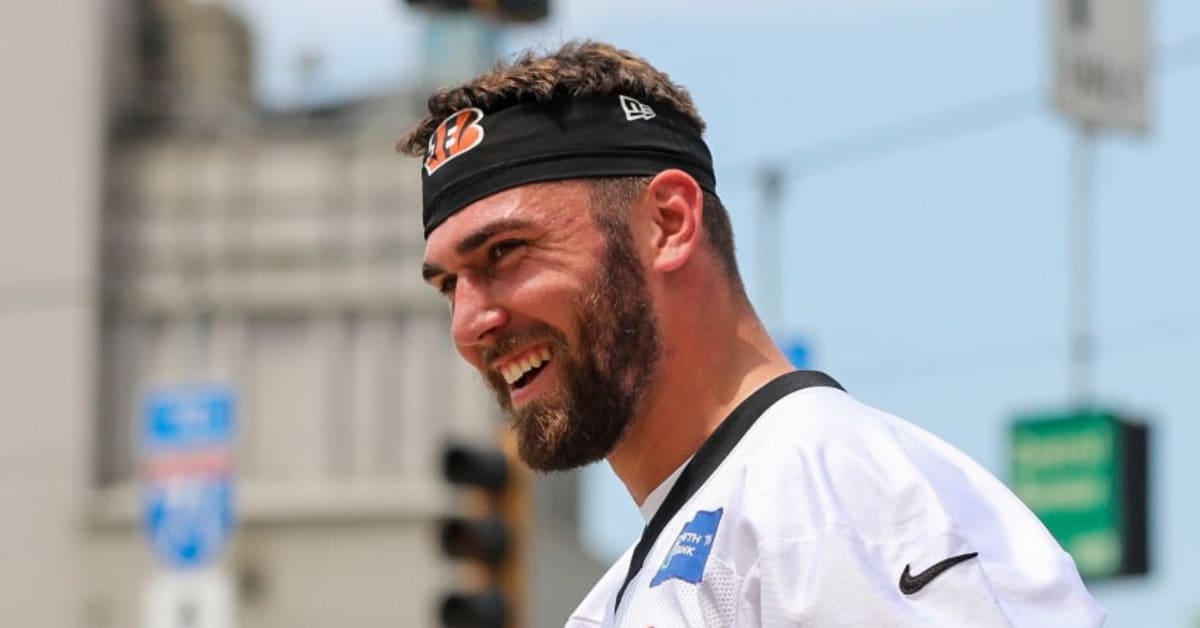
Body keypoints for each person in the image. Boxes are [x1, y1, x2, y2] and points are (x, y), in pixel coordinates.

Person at [400, 40, 1104, 627]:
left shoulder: (828, 491)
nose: (471, 323)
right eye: (449, 284)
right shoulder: (622, 594)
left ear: (670, 223)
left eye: (505, 254)